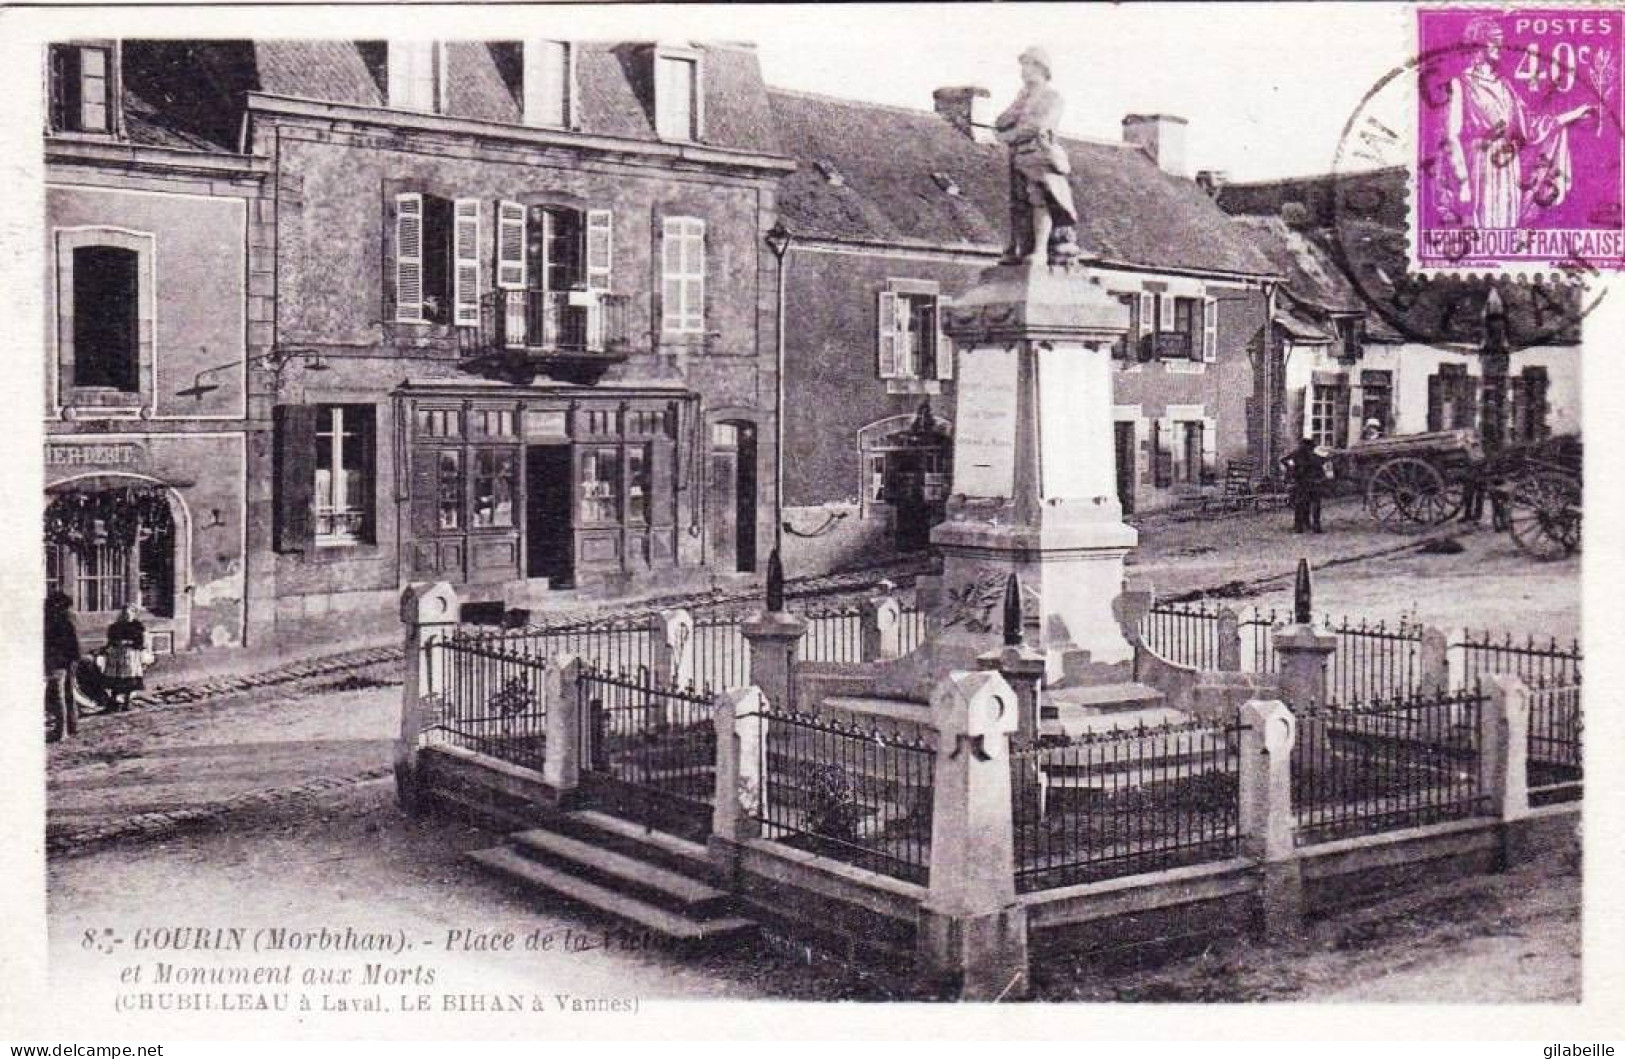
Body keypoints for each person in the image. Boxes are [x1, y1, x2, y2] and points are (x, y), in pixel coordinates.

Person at [1441, 16, 1595, 229]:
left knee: (1507, 228)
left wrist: (1574, 114)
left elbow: (1531, 126)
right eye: (1494, 40)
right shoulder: (1460, 84)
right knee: (1482, 229)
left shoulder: (1504, 86)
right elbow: (1452, 136)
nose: (1500, 45)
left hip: (1509, 167)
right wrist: (1464, 182)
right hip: (1481, 165)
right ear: (1479, 44)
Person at [995, 47, 1083, 265]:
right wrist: (1018, 106)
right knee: (1019, 204)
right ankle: (1020, 248)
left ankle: (1041, 251)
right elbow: (1001, 121)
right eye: (1023, 66)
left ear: (1041, 68)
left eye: (1028, 65)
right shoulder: (1023, 98)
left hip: (1040, 156)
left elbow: (1038, 125)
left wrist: (1009, 135)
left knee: (1039, 201)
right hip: (1019, 157)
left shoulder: (1052, 97)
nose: (1023, 71)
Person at [44, 592, 81, 741]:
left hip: (60, 661)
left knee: (58, 695)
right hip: (70, 660)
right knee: (68, 693)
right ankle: (72, 726)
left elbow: (58, 643)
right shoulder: (70, 617)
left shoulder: (58, 619)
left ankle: (61, 731)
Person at [102, 605, 149, 713]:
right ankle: (114, 701)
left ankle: (127, 702)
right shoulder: (115, 626)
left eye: (129, 614)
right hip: (116, 655)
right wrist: (112, 645)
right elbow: (110, 640)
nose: (127, 616)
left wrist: (129, 643)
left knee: (129, 679)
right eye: (124, 614)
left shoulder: (137, 626)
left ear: (133, 614)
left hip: (130, 654)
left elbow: (141, 642)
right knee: (115, 679)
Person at [1280, 437, 1327, 534]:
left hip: (1303, 482)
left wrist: (1291, 468)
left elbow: (1284, 460)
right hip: (1315, 482)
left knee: (1300, 504)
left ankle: (1299, 526)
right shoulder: (1317, 454)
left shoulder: (1297, 453)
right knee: (1315, 504)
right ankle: (1315, 526)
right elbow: (1325, 461)